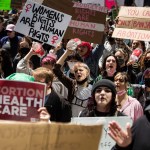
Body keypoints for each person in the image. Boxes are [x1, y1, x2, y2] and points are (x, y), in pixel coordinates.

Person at [108, 68, 150, 150]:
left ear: (127, 85)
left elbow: (140, 129)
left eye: (121, 80)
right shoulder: (109, 103)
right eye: (115, 80)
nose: (117, 82)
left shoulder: (135, 104)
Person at [53, 48, 92, 117]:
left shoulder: (93, 89)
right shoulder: (72, 84)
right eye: (76, 71)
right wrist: (67, 52)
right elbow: (56, 70)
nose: (78, 72)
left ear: (87, 72)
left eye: (81, 70)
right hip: (70, 121)